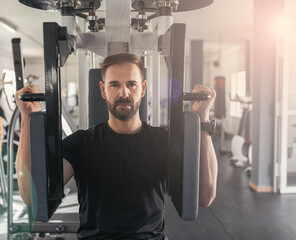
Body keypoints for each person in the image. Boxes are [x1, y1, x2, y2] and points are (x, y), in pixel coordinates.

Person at [15, 53, 218, 240]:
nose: (124, 92)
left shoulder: (163, 141)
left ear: (143, 89)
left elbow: (205, 196)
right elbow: (31, 195)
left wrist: (203, 119)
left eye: (131, 84)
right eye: (114, 85)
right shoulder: (81, 143)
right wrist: (26, 118)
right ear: (103, 90)